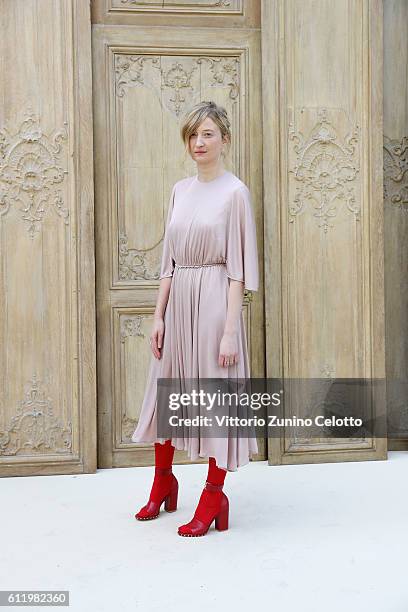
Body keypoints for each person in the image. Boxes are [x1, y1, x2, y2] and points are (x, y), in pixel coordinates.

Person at [131, 100, 259, 537]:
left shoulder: (235, 193)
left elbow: (239, 270)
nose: (198, 143)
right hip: (178, 298)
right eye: (192, 135)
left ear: (225, 139)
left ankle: (213, 494)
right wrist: (158, 315)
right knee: (169, 394)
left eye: (207, 134)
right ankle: (163, 482)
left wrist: (229, 332)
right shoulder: (179, 190)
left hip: (212, 304)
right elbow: (168, 261)